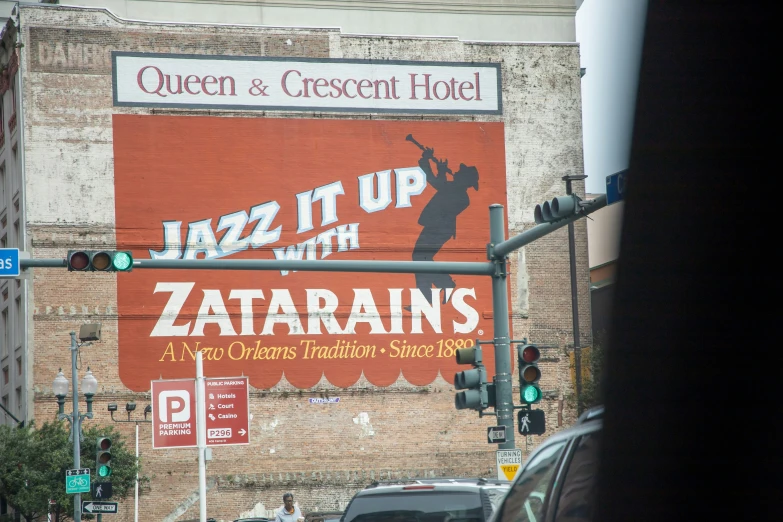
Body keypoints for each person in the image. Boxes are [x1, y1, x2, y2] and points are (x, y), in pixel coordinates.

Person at [407, 146, 479, 309]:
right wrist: (431, 164)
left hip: (438, 229)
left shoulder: (461, 196)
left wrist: (439, 169)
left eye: (462, 172)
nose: (458, 172)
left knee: (419, 258)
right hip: (437, 228)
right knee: (421, 259)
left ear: (464, 179)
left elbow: (435, 181)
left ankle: (439, 287)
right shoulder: (453, 188)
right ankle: (439, 287)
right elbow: (437, 181)